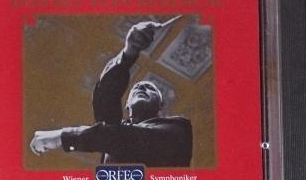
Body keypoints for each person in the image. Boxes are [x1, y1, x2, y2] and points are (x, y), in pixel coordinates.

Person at [29, 19, 193, 167]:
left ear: (161, 105)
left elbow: (123, 138)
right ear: (127, 106)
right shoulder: (113, 136)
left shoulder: (179, 128)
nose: (141, 88)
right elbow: (105, 99)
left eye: (150, 88)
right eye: (135, 89)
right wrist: (129, 52)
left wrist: (62, 137)